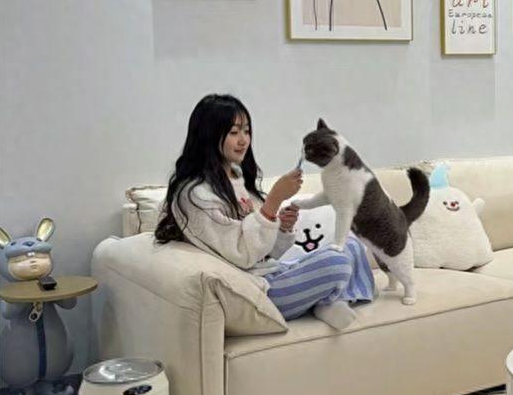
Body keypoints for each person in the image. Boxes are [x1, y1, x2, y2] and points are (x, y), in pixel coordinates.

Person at [154, 94, 374, 329]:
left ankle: (327, 300)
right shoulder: (196, 195)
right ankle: (329, 300)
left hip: (271, 272)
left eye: (247, 131)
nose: (244, 140)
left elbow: (266, 253)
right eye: (234, 132)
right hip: (256, 291)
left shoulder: (237, 179)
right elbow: (241, 253)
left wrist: (282, 227)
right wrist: (274, 201)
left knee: (351, 246)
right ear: (208, 135)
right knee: (336, 262)